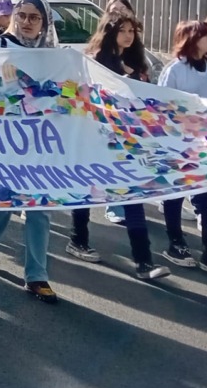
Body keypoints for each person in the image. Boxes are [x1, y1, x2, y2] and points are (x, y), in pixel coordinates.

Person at [0, 0, 62, 303]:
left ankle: (37, 275)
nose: (25, 22)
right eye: (21, 15)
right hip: (7, 139)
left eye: (34, 17)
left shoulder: (55, 57)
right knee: (4, 197)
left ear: (45, 22)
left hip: (42, 142)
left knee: (39, 208)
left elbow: (65, 92)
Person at [68, 14, 170, 279]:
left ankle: (143, 261)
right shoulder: (94, 62)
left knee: (132, 196)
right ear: (109, 32)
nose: (128, 35)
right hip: (96, 137)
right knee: (87, 190)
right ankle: (78, 240)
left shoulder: (138, 63)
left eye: (132, 31)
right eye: (122, 30)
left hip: (127, 139)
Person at [158, 20, 207, 278]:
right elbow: (161, 106)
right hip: (178, 143)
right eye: (206, 35)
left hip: (205, 144)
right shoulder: (175, 71)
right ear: (193, 39)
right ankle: (175, 244)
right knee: (176, 193)